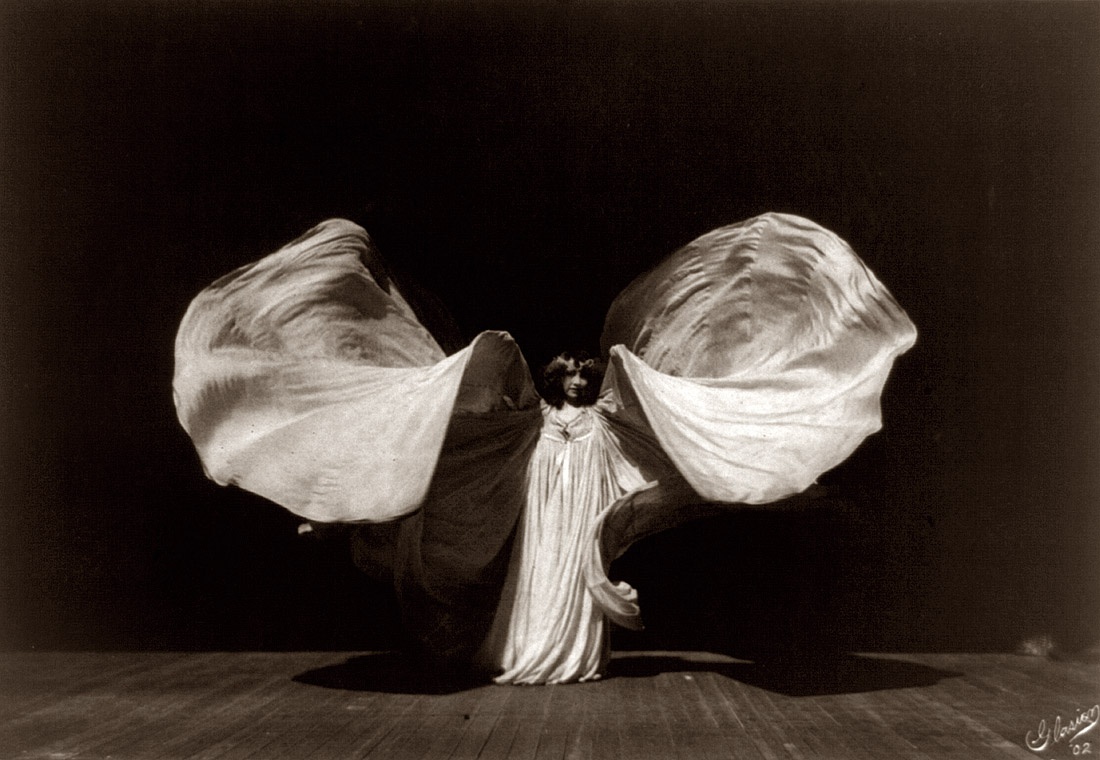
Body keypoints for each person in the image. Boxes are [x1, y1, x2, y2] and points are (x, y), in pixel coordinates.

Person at [173, 213, 917, 685]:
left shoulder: (609, 424)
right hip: (538, 522)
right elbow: (448, 458)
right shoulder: (519, 427)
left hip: (579, 513)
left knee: (574, 578)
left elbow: (671, 469)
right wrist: (342, 507)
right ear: (553, 379)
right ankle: (517, 649)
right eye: (568, 376)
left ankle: (570, 654)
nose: (576, 382)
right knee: (512, 569)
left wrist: (774, 479)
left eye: (582, 377)